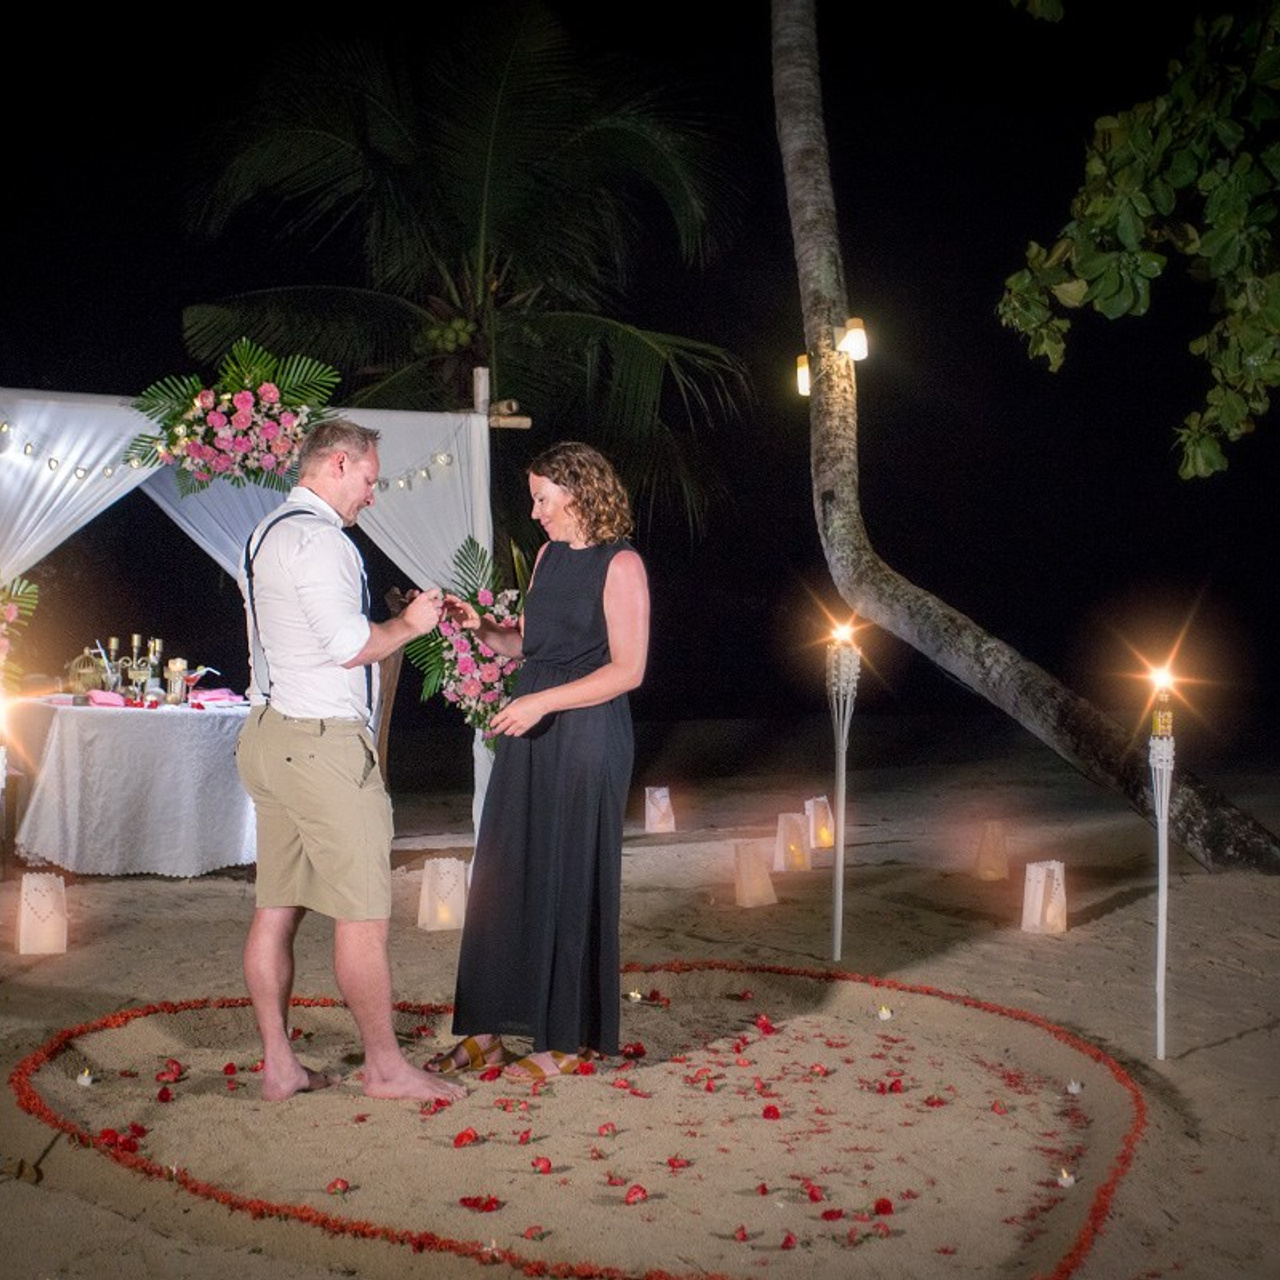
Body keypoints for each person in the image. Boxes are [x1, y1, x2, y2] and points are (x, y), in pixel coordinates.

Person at [234, 418, 466, 1105]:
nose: (372, 495)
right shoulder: (323, 541)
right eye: (369, 480)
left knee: (276, 908)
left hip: (268, 736)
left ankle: (280, 1064)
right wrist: (409, 626)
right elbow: (345, 643)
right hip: (324, 747)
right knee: (362, 915)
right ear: (337, 464)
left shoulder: (266, 531)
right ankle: (386, 1067)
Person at [429, 441, 650, 1081]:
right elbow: (529, 645)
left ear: (577, 493)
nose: (535, 513)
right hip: (532, 723)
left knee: (568, 874)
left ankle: (563, 1040)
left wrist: (542, 703)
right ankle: (487, 1032)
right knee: (503, 872)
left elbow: (628, 670)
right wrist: (480, 628)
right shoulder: (550, 557)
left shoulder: (622, 564)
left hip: (587, 733)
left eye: (542, 499)